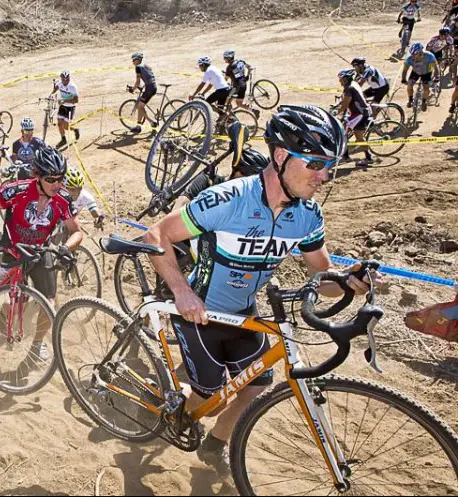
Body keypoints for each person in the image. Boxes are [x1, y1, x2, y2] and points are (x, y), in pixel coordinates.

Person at [143, 105, 380, 470]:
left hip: (243, 313)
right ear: (282, 155)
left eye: (329, 165)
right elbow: (156, 234)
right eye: (316, 163)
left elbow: (323, 277)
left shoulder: (307, 216)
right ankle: (172, 407)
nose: (325, 175)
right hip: (200, 313)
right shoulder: (228, 199)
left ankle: (215, 445)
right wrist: (182, 292)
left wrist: (351, 282)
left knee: (255, 386)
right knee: (212, 398)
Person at [0, 145, 83, 360]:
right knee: (19, 303)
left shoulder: (63, 197)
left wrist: (66, 248)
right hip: (15, 248)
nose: (57, 184)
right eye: (51, 179)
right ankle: (3, 313)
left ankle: (37, 343)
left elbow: (77, 231)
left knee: (49, 301)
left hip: (41, 249)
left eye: (60, 178)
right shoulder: (17, 190)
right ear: (38, 176)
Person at [173, 147, 270, 211]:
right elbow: (179, 207)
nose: (251, 185)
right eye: (248, 178)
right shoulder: (206, 182)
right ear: (237, 172)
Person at [337, 69, 374, 166]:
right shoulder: (353, 84)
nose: (339, 81)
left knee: (358, 138)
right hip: (358, 113)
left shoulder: (349, 88)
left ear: (345, 79)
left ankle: (369, 158)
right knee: (344, 132)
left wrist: (338, 112)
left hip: (360, 114)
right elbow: (347, 99)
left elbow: (345, 104)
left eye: (340, 79)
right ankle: (345, 156)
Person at [128, 52, 159, 134]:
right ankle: (138, 126)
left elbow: (138, 81)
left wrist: (133, 89)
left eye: (134, 60)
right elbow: (148, 76)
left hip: (149, 88)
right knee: (140, 105)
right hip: (152, 86)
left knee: (140, 106)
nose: (133, 62)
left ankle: (152, 122)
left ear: (138, 60)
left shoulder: (138, 67)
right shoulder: (146, 65)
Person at [401, 42, 438, 112]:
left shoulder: (430, 56)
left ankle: (424, 102)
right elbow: (405, 70)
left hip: (427, 73)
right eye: (412, 54)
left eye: (415, 54)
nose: (413, 56)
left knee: (426, 88)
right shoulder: (409, 58)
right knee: (409, 85)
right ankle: (410, 99)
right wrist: (403, 79)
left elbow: (436, 67)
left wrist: (437, 76)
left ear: (421, 52)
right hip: (415, 72)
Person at [50, 71, 80, 149]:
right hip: (62, 106)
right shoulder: (60, 83)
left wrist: (65, 101)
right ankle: (63, 139)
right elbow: (56, 88)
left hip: (70, 107)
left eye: (67, 79)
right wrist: (52, 93)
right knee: (59, 124)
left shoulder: (72, 87)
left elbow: (76, 100)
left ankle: (75, 130)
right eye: (64, 79)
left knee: (66, 126)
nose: (65, 81)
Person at [223, 50, 257, 116]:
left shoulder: (230, 67)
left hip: (236, 87)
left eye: (225, 58)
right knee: (239, 104)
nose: (224, 59)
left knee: (226, 99)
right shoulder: (240, 61)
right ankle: (253, 110)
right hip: (243, 85)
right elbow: (249, 67)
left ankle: (230, 116)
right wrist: (247, 75)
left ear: (228, 58)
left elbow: (226, 80)